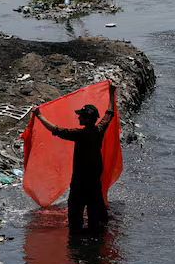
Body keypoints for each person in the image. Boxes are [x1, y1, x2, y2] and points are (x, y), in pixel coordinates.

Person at [34, 84, 116, 233]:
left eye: (81, 116)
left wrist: (39, 116)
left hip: (79, 182)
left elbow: (55, 130)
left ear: (86, 119)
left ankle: (76, 245)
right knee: (95, 220)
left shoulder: (78, 134)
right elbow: (109, 113)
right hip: (94, 181)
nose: (78, 117)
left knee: (75, 218)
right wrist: (111, 92)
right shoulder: (99, 130)